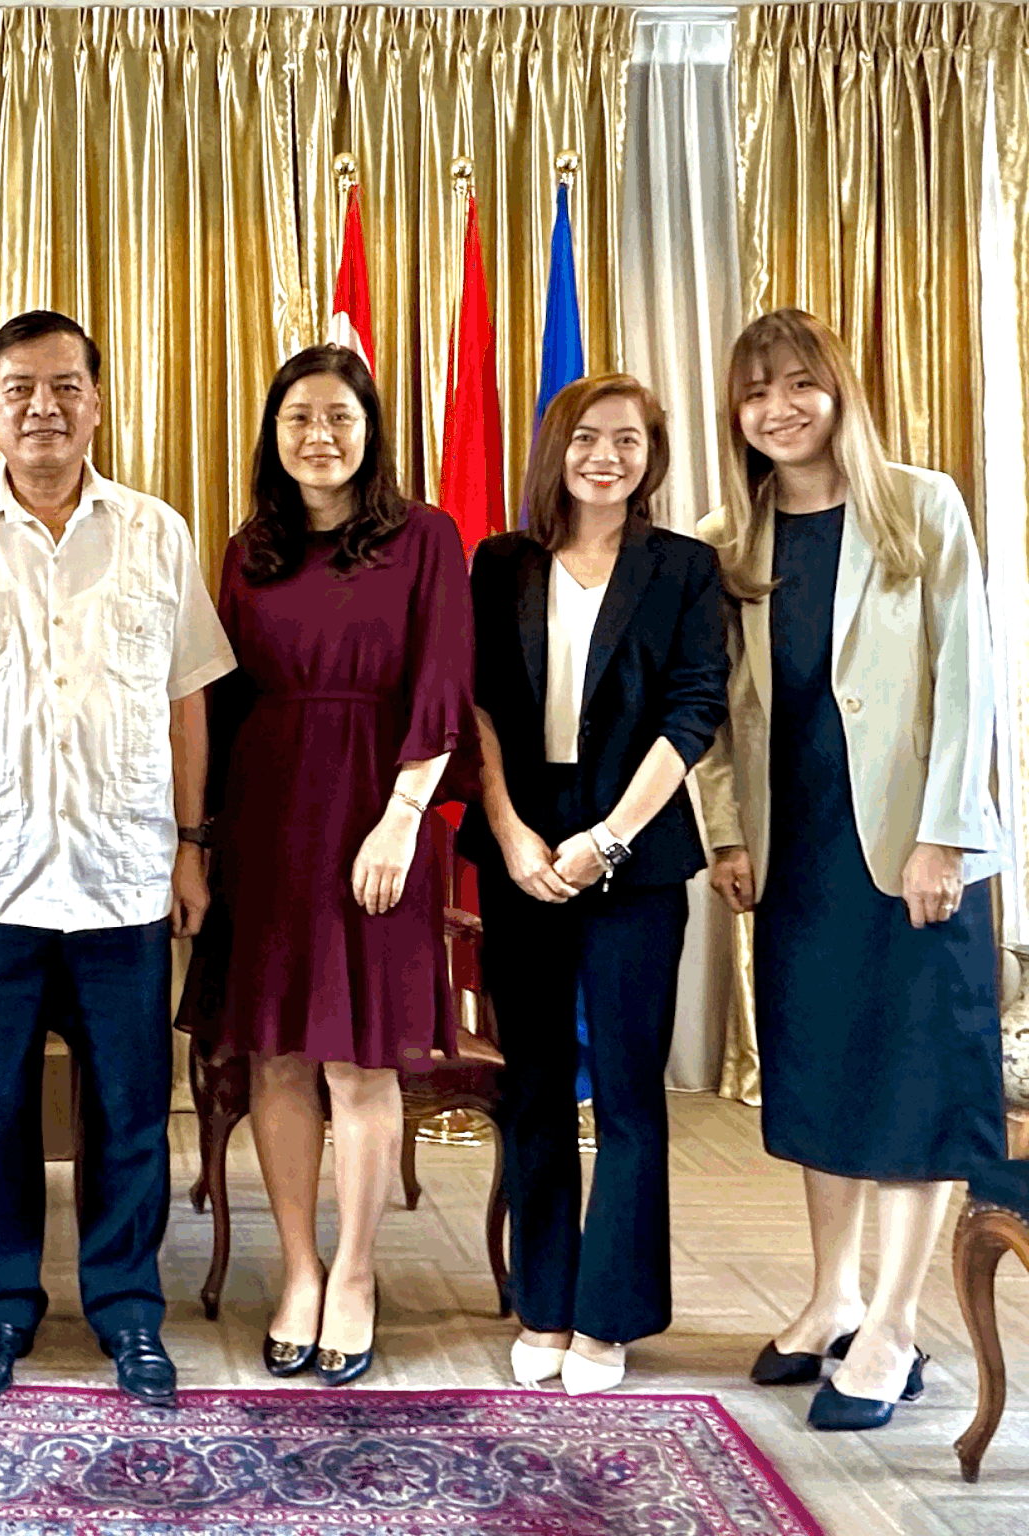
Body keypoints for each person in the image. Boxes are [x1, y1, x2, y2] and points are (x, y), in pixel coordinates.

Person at [0, 309, 236, 1409]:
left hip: (125, 871)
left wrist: (189, 845)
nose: (43, 407)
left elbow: (186, 699)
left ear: (96, 400)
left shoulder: (156, 532)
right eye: (19, 388)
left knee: (129, 1107)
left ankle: (127, 1311)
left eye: (65, 386)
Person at [697, 308, 1006, 1432]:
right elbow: (719, 718)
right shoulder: (727, 539)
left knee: (912, 1083)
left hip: (911, 851)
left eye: (797, 384)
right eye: (753, 391)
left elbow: (966, 683)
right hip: (798, 855)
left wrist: (945, 836)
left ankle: (890, 1327)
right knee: (819, 1075)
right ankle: (828, 1294)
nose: (777, 407)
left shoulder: (918, 506)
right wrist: (724, 833)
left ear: (838, 392)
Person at [189, 344, 471, 1387]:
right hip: (265, 816)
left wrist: (401, 817)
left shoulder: (423, 539)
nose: (319, 435)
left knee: (357, 1062)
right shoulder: (244, 550)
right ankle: (297, 1270)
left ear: (370, 431)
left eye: (339, 417)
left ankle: (355, 1274)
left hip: (376, 815)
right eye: (298, 416)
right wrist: (198, 839)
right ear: (272, 433)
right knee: (273, 1057)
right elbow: (213, 703)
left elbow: (443, 686)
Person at [462, 373, 728, 1396]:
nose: (603, 455)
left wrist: (607, 839)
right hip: (519, 842)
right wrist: (511, 832)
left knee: (623, 1091)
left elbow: (691, 714)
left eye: (626, 439)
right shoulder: (501, 563)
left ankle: (607, 1318)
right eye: (585, 438)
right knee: (529, 1082)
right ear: (554, 452)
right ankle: (544, 1303)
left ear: (649, 455)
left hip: (636, 847)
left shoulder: (682, 570)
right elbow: (475, 706)